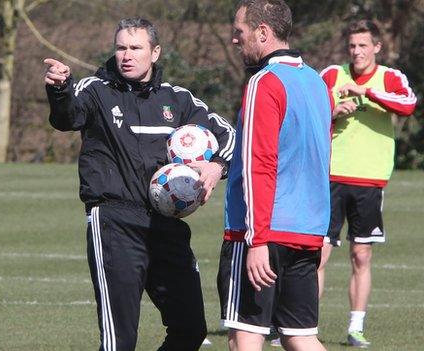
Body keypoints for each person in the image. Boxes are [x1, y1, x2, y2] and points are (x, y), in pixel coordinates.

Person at [45, 17, 235, 351]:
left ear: (155, 52)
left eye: (136, 48)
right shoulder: (95, 91)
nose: (126, 55)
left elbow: (228, 134)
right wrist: (59, 89)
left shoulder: (178, 100)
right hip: (115, 224)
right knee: (120, 341)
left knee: (190, 329)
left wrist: (216, 166)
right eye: (121, 48)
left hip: (167, 225)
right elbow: (67, 117)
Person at [217, 1, 333, 350]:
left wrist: (256, 240)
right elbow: (322, 160)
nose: (235, 40)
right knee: (302, 339)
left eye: (240, 32)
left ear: (262, 33)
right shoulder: (315, 81)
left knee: (245, 340)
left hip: (262, 235)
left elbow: (259, 164)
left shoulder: (263, 82)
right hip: (307, 233)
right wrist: (322, 234)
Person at [318, 20, 417, 348]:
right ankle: (301, 325)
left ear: (377, 47)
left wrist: (365, 92)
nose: (357, 52)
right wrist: (333, 110)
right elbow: (306, 110)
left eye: (363, 46)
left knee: (361, 255)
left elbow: (408, 104)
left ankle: (355, 327)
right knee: (316, 256)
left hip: (369, 180)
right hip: (329, 177)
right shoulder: (332, 74)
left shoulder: (390, 77)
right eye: (352, 46)